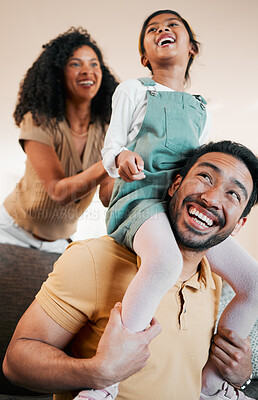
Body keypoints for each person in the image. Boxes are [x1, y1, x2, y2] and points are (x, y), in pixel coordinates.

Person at [3, 140, 258, 400]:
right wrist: (97, 372)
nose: (212, 198)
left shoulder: (215, 280)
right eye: (205, 177)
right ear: (175, 185)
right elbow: (15, 364)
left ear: (239, 225)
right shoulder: (93, 258)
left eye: (233, 194)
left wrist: (240, 375)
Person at [100, 9, 258, 400]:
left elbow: (199, 167)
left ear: (191, 48)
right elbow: (111, 146)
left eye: (172, 26)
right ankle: (105, 383)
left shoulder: (201, 106)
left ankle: (211, 385)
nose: (161, 30)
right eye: (152, 30)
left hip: (182, 206)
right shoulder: (133, 91)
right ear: (145, 55)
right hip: (141, 197)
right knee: (166, 263)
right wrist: (120, 160)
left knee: (255, 282)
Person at [0, 27, 117, 253]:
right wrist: (112, 160)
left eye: (94, 64)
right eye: (75, 64)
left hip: (59, 242)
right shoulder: (37, 120)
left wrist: (135, 170)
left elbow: (106, 195)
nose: (87, 71)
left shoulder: (107, 129)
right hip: (10, 230)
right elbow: (58, 191)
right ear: (58, 75)